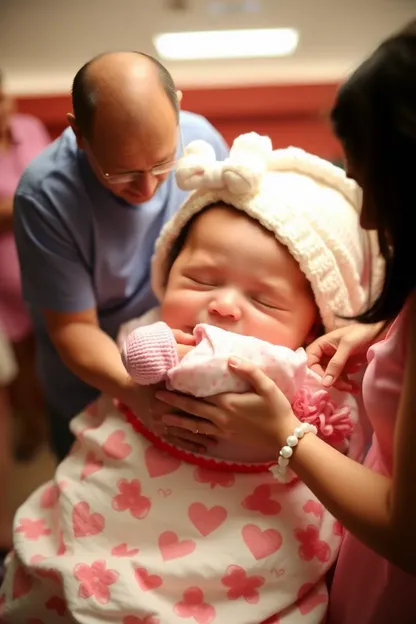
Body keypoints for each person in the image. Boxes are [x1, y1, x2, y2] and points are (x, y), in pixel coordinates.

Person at [0, 133, 373, 623]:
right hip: (124, 496)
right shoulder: (152, 331)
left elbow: (344, 446)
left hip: (244, 536)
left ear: (316, 323)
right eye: (200, 279)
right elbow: (121, 369)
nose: (222, 304)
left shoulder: (318, 374)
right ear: (168, 272)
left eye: (264, 301)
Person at [152, 21, 416, 624]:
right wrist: (384, 331)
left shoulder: (320, 393)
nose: (372, 214)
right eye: (199, 279)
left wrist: (288, 436)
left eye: (382, 186)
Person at [13, 51, 228, 461]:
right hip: (92, 384)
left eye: (163, 162)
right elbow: (74, 329)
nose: (147, 189)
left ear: (177, 107)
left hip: (184, 358)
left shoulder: (201, 140)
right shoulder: (45, 196)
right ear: (79, 134)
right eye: (121, 172)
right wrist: (137, 393)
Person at [0, 70, 50, 459]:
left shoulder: (29, 128)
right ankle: (32, 426)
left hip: (47, 258)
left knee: (55, 348)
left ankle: (54, 422)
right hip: (6, 274)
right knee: (21, 362)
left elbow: (55, 180)